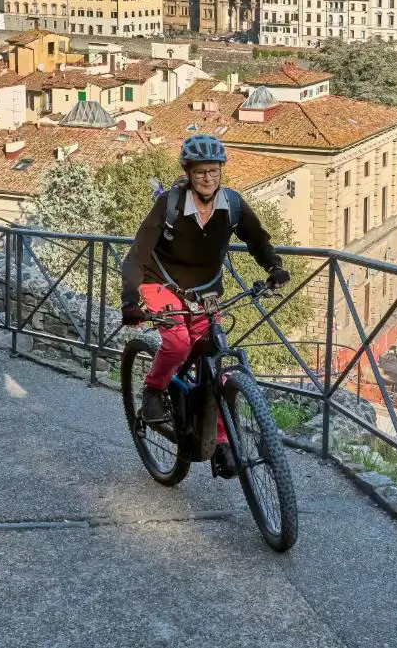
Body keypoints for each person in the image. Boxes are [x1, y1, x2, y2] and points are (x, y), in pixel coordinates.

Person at [119, 134, 290, 475]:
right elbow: (136, 255)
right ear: (188, 173)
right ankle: (153, 390)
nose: (208, 178)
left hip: (206, 293)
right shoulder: (169, 204)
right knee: (179, 343)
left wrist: (274, 267)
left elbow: (257, 240)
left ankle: (223, 442)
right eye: (200, 172)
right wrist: (130, 301)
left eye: (214, 171)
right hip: (161, 284)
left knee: (214, 358)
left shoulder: (233, 205)